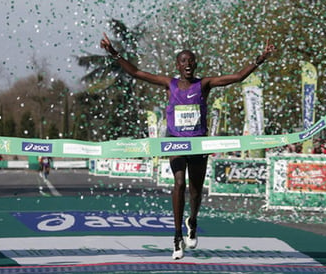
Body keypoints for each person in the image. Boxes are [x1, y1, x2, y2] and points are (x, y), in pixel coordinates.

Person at [100, 32, 275, 259]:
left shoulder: (205, 84)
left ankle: (192, 220)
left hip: (198, 143)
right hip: (175, 142)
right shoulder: (169, 84)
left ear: (195, 64)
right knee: (179, 183)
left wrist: (260, 58)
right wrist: (113, 52)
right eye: (183, 61)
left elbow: (238, 77)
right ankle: (176, 236)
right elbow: (136, 72)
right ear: (178, 66)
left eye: (191, 61)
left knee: (195, 192)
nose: (188, 64)